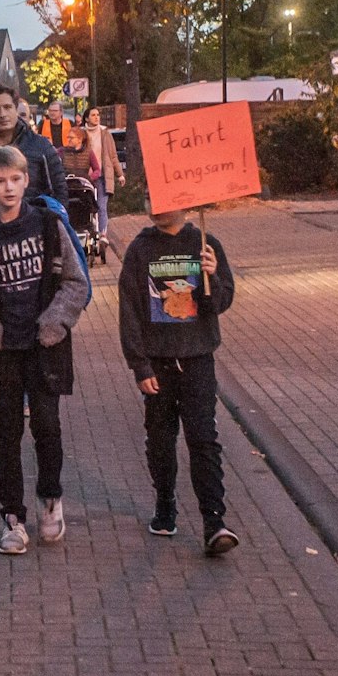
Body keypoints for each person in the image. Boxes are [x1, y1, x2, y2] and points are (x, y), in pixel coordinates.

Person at [0, 147, 90, 555]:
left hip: (43, 346)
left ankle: (50, 498)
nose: (8, 187)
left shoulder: (48, 225)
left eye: (15, 179)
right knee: (7, 434)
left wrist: (54, 322)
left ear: (26, 179)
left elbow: (75, 281)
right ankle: (13, 518)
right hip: (1, 350)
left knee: (47, 426)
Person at [119, 209, 240, 557]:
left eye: (162, 199)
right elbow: (129, 310)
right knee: (160, 439)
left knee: (203, 439)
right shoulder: (140, 249)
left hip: (198, 359)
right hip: (157, 363)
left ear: (184, 204)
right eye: (148, 197)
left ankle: (214, 521)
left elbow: (219, 302)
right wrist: (139, 365)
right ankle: (165, 503)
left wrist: (211, 276)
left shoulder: (205, 244)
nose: (154, 206)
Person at [0, 84, 68, 423]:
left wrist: (54, 232)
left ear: (18, 108)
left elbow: (59, 191)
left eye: (8, 107)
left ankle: (34, 390)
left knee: (29, 311)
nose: (2, 114)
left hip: (33, 244)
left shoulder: (40, 147)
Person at [81, 107, 124, 209]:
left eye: (98, 115)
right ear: (86, 119)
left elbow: (113, 155)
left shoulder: (105, 133)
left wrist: (120, 174)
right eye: (93, 115)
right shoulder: (81, 134)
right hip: (86, 176)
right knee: (87, 207)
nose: (96, 117)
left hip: (102, 176)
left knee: (101, 207)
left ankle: (102, 226)